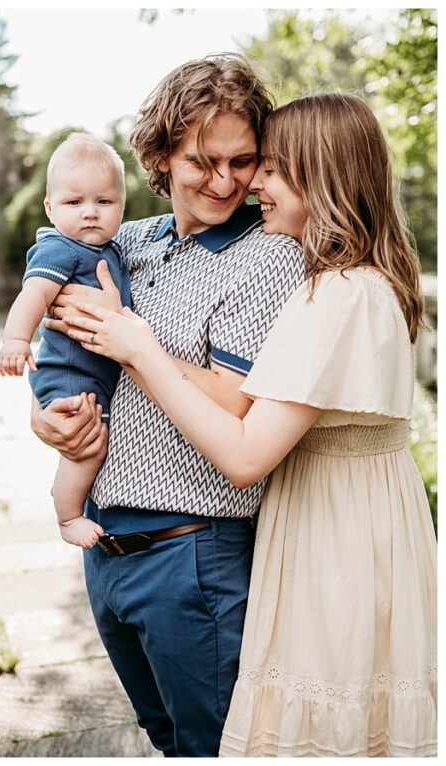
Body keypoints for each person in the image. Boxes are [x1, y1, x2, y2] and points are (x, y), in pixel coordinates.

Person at [65, 92, 436, 757]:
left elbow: (243, 451)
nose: (250, 183)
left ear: (322, 178)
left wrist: (139, 346)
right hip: (333, 523)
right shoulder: (349, 283)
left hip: (332, 537)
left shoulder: (336, 293)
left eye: (268, 166)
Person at [31, 54, 304, 757]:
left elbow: (239, 404)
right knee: (163, 738)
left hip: (192, 553)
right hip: (107, 548)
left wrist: (135, 344)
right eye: (201, 160)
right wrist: (47, 422)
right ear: (158, 155)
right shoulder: (125, 241)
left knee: (212, 746)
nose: (223, 181)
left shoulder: (268, 256)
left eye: (242, 160)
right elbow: (67, 354)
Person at [0, 133, 131, 549]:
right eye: (75, 203)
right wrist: (17, 339)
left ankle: (71, 504)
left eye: (104, 202)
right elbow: (33, 294)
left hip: (94, 373)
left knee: (94, 439)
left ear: (121, 205)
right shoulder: (60, 250)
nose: (90, 213)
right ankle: (68, 514)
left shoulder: (114, 248)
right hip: (69, 375)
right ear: (50, 208)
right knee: (88, 444)